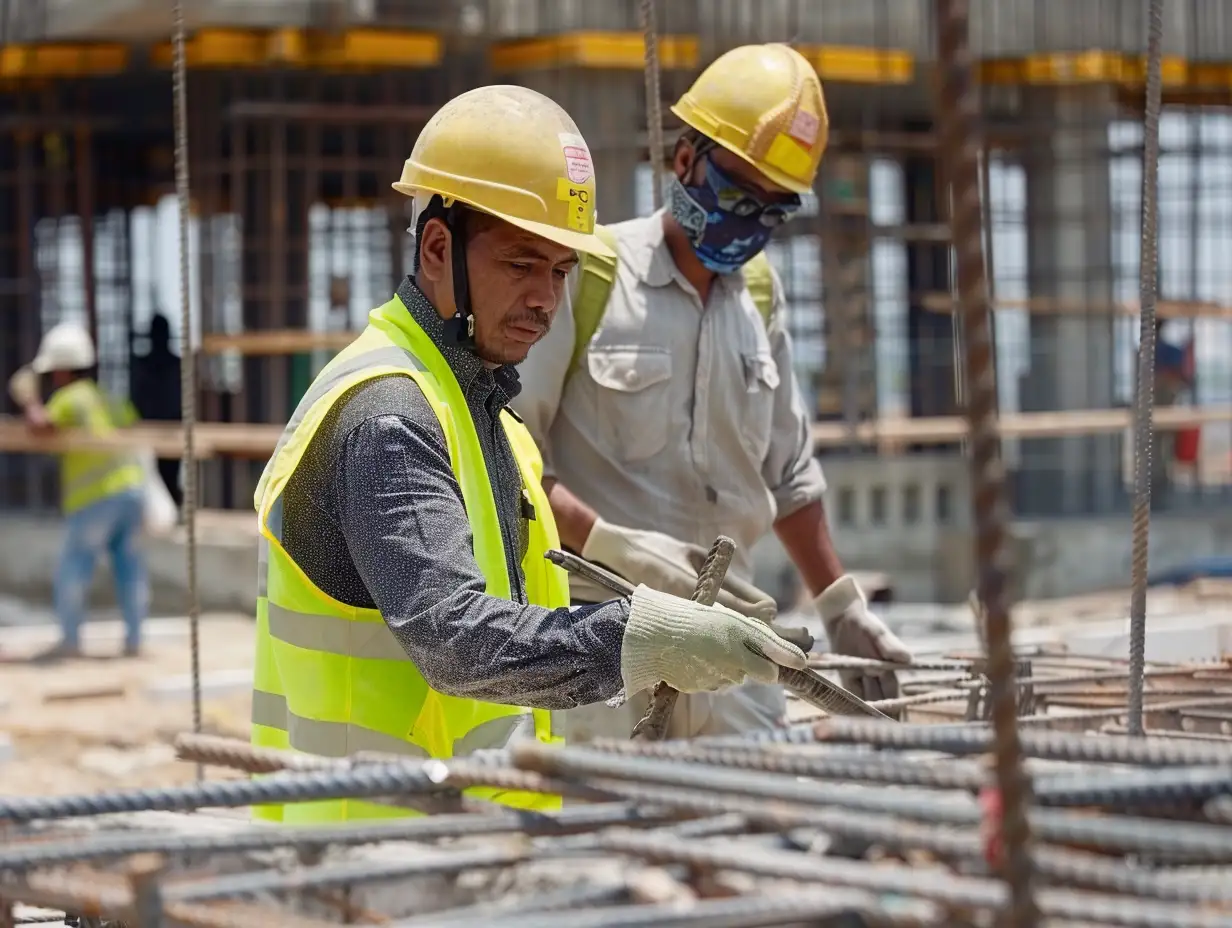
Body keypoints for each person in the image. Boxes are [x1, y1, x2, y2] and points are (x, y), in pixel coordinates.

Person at [248, 84, 808, 824]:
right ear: (438, 248)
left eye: (560, 271)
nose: (546, 298)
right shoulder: (388, 416)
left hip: (457, 837)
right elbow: (456, 643)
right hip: (375, 846)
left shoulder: (486, 418)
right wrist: (643, 637)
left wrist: (628, 565)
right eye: (521, 265)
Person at [512, 43, 913, 742]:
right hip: (610, 653)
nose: (749, 221)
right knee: (606, 845)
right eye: (737, 195)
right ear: (685, 162)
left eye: (772, 209)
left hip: (736, 666)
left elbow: (789, 478)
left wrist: (839, 602)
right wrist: (608, 541)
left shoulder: (760, 299)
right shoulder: (588, 278)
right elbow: (509, 449)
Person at [6, 321, 149, 660]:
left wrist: (28, 401)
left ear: (61, 370)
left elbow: (41, 426)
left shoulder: (70, 399)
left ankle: (70, 641)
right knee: (130, 568)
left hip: (96, 498)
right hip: (132, 491)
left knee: (73, 567)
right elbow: (136, 428)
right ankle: (134, 640)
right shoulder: (110, 399)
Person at [130, 313, 183, 509]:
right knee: (155, 474)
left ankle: (166, 511)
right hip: (159, 428)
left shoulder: (145, 365)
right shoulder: (175, 364)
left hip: (165, 428)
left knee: (163, 473)